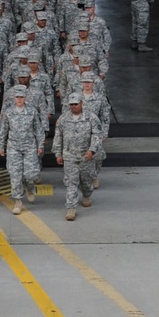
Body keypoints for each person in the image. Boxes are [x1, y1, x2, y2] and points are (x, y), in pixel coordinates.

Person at [0, 84, 45, 216]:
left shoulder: (32, 111)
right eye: (17, 97)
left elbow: (39, 130)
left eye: (21, 97)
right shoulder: (8, 112)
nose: (19, 99)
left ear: (25, 98)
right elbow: (4, 130)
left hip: (29, 146)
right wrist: (1, 146)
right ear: (14, 98)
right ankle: (18, 201)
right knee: (15, 175)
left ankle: (29, 187)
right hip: (14, 147)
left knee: (31, 174)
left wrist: (40, 145)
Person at [53, 92, 101, 221]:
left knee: (86, 182)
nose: (73, 106)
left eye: (76, 104)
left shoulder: (91, 118)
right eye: (71, 104)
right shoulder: (63, 119)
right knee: (71, 183)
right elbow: (58, 136)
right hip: (69, 156)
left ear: (81, 103)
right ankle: (71, 208)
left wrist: (92, 150)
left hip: (86, 156)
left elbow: (97, 135)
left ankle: (86, 195)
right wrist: (58, 153)